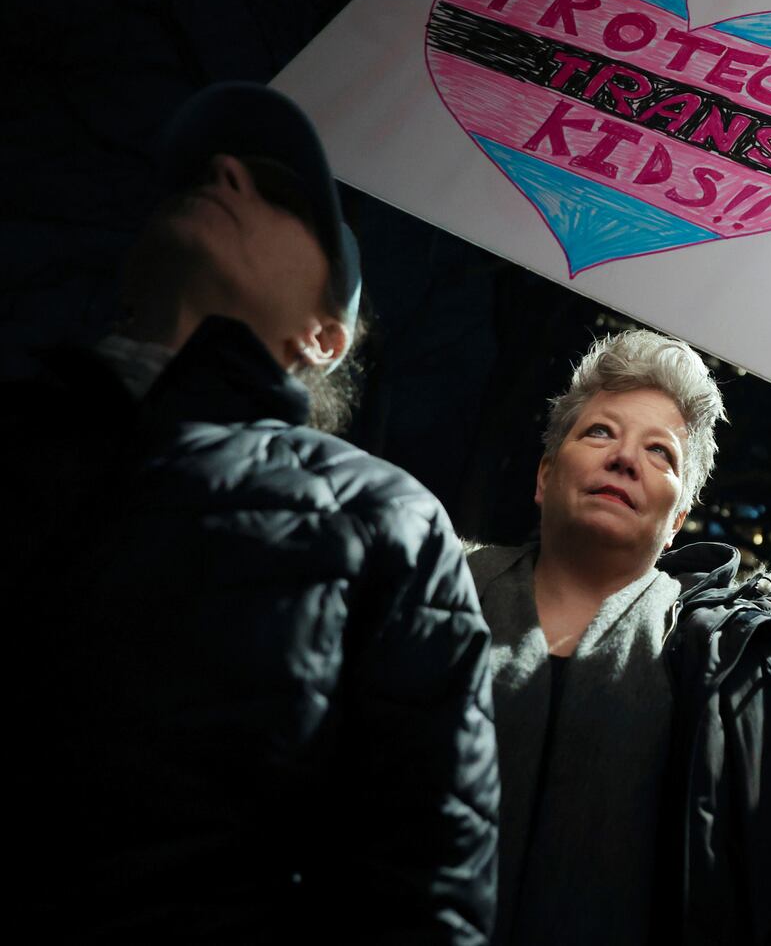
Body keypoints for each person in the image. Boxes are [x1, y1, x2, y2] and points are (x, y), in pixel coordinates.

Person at [7, 83, 500, 942]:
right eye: (207, 170)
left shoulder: (390, 523)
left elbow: (424, 894)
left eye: (280, 194)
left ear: (324, 335)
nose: (223, 170)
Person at [467, 328, 771, 945]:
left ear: (678, 521)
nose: (625, 458)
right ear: (545, 475)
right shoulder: (431, 590)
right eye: (600, 432)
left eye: (661, 453)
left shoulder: (748, 658)